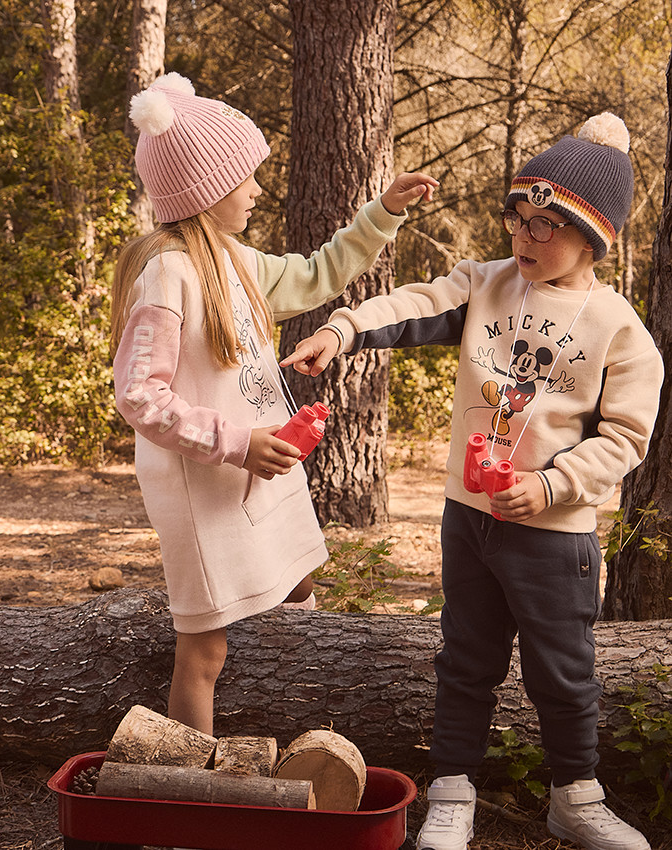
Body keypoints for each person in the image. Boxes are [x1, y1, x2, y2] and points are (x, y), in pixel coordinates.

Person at [281, 113, 662, 850]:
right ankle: (452, 791)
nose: (522, 238)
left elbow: (625, 440)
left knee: (564, 674)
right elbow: (416, 304)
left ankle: (574, 798)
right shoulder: (485, 287)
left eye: (543, 227)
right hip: (470, 521)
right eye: (515, 219)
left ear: (593, 237)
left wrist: (549, 487)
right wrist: (342, 329)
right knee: (466, 659)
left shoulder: (619, 328)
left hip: (554, 536)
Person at [111, 72, 438, 737]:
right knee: (205, 651)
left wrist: (384, 211)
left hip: (261, 477)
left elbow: (321, 272)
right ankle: (191, 801)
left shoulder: (238, 262)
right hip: (206, 490)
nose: (257, 190)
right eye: (246, 178)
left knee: (298, 585)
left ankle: (297, 737)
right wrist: (236, 442)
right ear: (204, 189)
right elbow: (139, 393)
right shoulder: (167, 273)